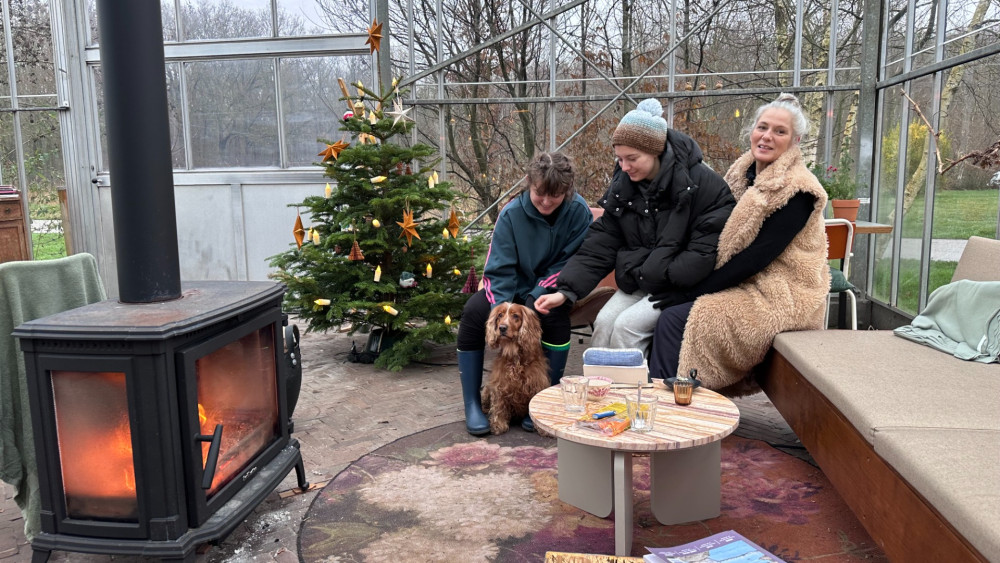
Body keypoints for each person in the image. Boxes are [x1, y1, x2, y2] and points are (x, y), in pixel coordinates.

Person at [649, 93, 831, 393]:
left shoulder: (799, 190)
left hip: (782, 294)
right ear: (752, 130)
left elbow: (755, 257)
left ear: (795, 140)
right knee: (656, 309)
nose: (767, 137)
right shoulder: (741, 173)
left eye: (779, 131)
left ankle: (669, 410)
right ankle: (653, 397)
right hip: (745, 281)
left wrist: (690, 292)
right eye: (762, 127)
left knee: (673, 319)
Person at [534, 98, 734, 354]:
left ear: (655, 151)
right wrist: (566, 291)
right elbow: (601, 244)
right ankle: (600, 389)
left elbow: (704, 249)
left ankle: (632, 392)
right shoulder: (625, 185)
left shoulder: (702, 184)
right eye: (619, 159)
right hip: (640, 279)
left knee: (628, 328)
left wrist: (665, 277)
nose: (624, 167)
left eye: (632, 158)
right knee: (605, 324)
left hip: (679, 286)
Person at [457, 152, 593, 436]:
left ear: (567, 192)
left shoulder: (579, 213)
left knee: (556, 319)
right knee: (472, 313)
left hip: (551, 288)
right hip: (509, 289)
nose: (546, 201)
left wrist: (537, 296)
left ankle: (543, 401)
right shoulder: (511, 214)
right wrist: (505, 309)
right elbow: (498, 267)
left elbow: (571, 261)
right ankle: (472, 402)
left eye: (554, 196)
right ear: (529, 183)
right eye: (539, 193)